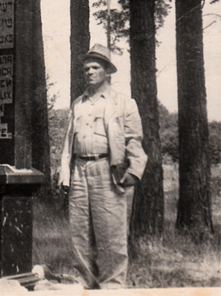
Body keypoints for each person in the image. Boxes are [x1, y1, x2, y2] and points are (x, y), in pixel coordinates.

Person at [58, 44, 147, 290]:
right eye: (86, 68)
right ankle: (84, 282)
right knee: (80, 231)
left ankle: (112, 286)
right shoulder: (78, 103)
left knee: (111, 232)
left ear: (107, 71)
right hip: (79, 171)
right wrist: (64, 172)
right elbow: (68, 140)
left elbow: (134, 139)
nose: (89, 72)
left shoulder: (124, 103)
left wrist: (135, 170)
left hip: (108, 170)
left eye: (95, 67)